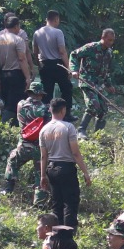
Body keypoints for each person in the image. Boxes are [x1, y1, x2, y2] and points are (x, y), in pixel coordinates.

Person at [37, 99, 90, 230]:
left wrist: (43, 176)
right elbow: (75, 153)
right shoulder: (68, 127)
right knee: (70, 203)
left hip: (51, 169)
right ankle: (69, 235)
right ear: (63, 110)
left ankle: (57, 233)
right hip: (66, 168)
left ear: (50, 110)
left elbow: (44, 156)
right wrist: (85, 172)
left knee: (57, 203)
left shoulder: (44, 130)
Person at [1, 79, 49, 203]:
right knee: (40, 173)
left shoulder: (20, 104)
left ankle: (8, 190)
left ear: (29, 92)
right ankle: (39, 202)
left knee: (12, 161)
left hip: (23, 145)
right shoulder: (45, 110)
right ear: (40, 94)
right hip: (40, 148)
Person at [69, 29, 117, 133]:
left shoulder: (109, 53)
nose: (111, 43)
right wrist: (74, 70)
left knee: (103, 109)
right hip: (87, 81)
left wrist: (109, 85)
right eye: (109, 40)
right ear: (103, 38)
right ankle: (81, 130)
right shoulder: (91, 47)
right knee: (93, 105)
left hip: (99, 84)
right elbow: (74, 55)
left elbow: (106, 70)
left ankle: (97, 134)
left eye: (112, 40)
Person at [0, 15, 36, 123]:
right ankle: (4, 125)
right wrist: (27, 77)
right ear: (16, 26)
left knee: (6, 100)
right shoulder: (18, 40)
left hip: (4, 74)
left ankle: (10, 125)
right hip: (16, 74)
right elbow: (22, 59)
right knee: (16, 102)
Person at [33, 10, 72, 109]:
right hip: (58, 65)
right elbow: (62, 51)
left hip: (44, 65)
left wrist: (39, 64)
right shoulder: (58, 32)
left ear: (46, 19)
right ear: (56, 19)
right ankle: (66, 112)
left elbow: (35, 52)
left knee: (46, 92)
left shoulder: (37, 33)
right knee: (66, 89)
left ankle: (46, 114)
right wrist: (68, 68)